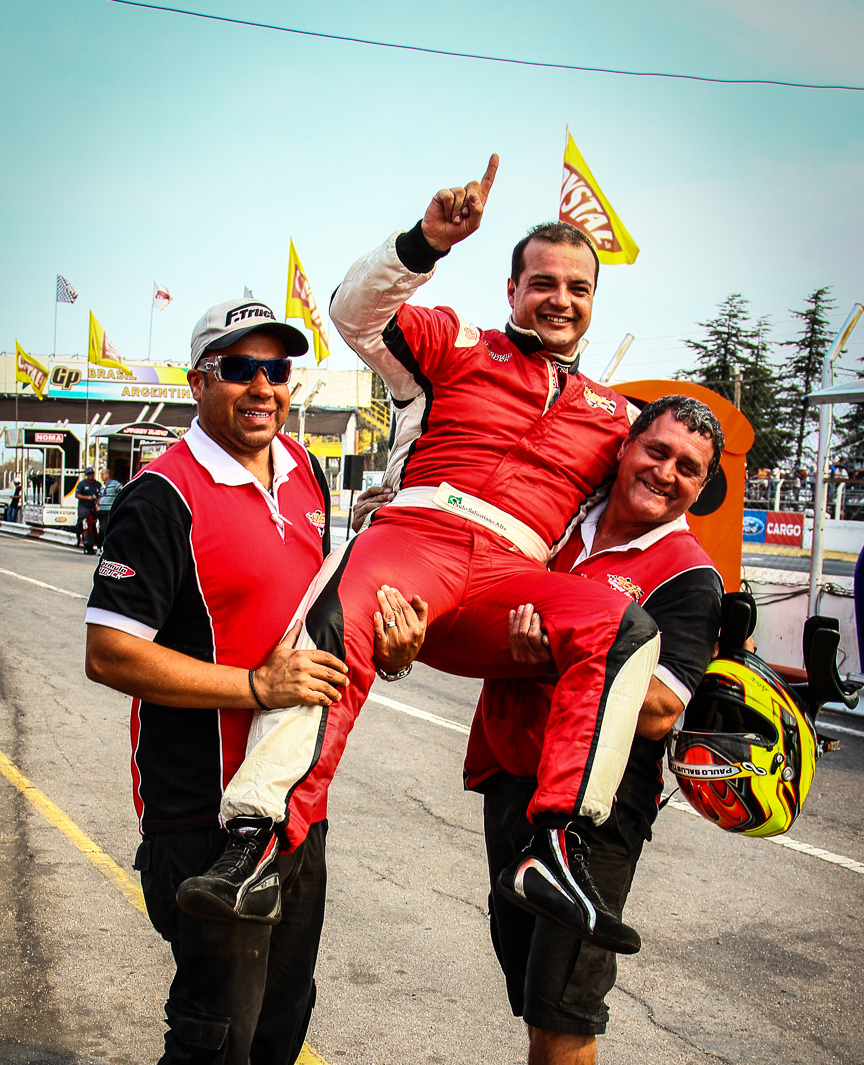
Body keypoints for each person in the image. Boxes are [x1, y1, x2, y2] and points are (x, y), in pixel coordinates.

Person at [178, 156, 661, 958]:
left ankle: (557, 850)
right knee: (336, 615)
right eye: (542, 282)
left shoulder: (617, 417)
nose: (559, 299)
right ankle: (258, 844)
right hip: (418, 539)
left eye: (577, 288)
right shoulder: (456, 342)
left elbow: (667, 499)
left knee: (625, 628)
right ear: (512, 291)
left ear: (593, 303)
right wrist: (426, 239)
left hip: (516, 576)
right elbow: (354, 317)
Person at [84, 297, 425, 1065]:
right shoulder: (160, 495)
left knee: (279, 1022)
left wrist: (391, 640)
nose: (264, 384)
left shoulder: (311, 478)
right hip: (201, 821)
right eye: (240, 367)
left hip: (295, 806)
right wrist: (255, 686)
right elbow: (110, 653)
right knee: (216, 1037)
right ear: (200, 381)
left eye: (280, 366)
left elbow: (327, 617)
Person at [450, 397, 724, 1065]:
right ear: (625, 447)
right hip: (512, 767)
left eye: (689, 468)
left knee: (563, 990)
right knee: (522, 962)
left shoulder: (686, 575)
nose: (666, 472)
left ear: (702, 487)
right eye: (657, 450)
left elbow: (654, 708)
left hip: (597, 804)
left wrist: (558, 648)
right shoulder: (562, 520)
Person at [75, 466, 102, 553]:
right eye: (88, 474)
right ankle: (86, 544)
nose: (90, 475)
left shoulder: (98, 484)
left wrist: (98, 501)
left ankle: (92, 544)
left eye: (91, 474)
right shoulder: (82, 484)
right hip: (84, 508)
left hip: (93, 508)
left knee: (93, 526)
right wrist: (87, 497)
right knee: (84, 525)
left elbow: (101, 495)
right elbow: (77, 495)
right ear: (86, 475)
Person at [96, 466, 121, 544]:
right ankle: (100, 545)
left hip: (109, 509)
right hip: (101, 509)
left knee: (104, 528)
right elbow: (100, 496)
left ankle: (102, 544)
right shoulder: (102, 485)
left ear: (107, 475)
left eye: (103, 474)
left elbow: (121, 489)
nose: (101, 476)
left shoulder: (114, 483)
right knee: (101, 527)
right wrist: (97, 504)